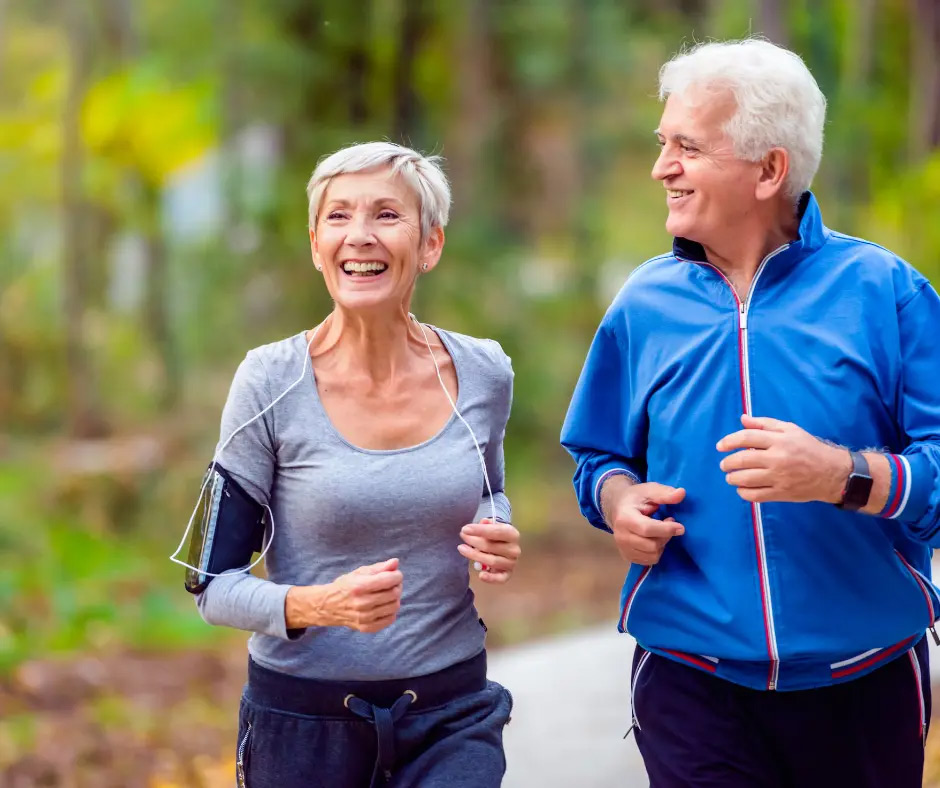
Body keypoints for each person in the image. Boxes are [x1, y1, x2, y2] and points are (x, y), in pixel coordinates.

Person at [561, 39, 940, 787]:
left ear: (769, 170)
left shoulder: (885, 292)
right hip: (690, 678)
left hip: (864, 681)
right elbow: (597, 458)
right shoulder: (644, 303)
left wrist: (842, 474)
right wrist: (618, 502)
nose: (660, 167)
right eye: (662, 143)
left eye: (687, 147)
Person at [185, 142, 519, 787]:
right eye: (338, 217)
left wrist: (495, 529)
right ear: (316, 245)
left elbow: (489, 491)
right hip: (303, 726)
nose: (359, 236)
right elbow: (211, 584)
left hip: (451, 713)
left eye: (387, 215)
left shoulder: (482, 372)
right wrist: (320, 605)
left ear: (430, 244)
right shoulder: (269, 382)